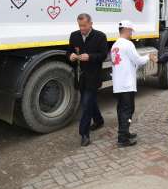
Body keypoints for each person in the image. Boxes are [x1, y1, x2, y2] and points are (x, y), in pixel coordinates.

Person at [111, 20, 157, 147]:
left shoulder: (115, 45)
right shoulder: (128, 44)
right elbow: (138, 60)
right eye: (131, 31)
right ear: (126, 30)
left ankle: (125, 132)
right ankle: (122, 138)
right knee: (128, 110)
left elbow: (127, 63)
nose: (131, 33)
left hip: (118, 84)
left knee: (121, 110)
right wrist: (149, 57)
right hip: (126, 84)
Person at [67, 13, 108, 147]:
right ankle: (99, 120)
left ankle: (84, 134)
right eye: (80, 26)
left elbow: (103, 55)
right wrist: (71, 56)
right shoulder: (74, 35)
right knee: (90, 101)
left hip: (93, 77)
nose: (82, 28)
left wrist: (89, 57)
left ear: (91, 23)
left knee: (85, 105)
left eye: (84, 25)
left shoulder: (100, 36)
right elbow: (68, 51)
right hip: (80, 77)